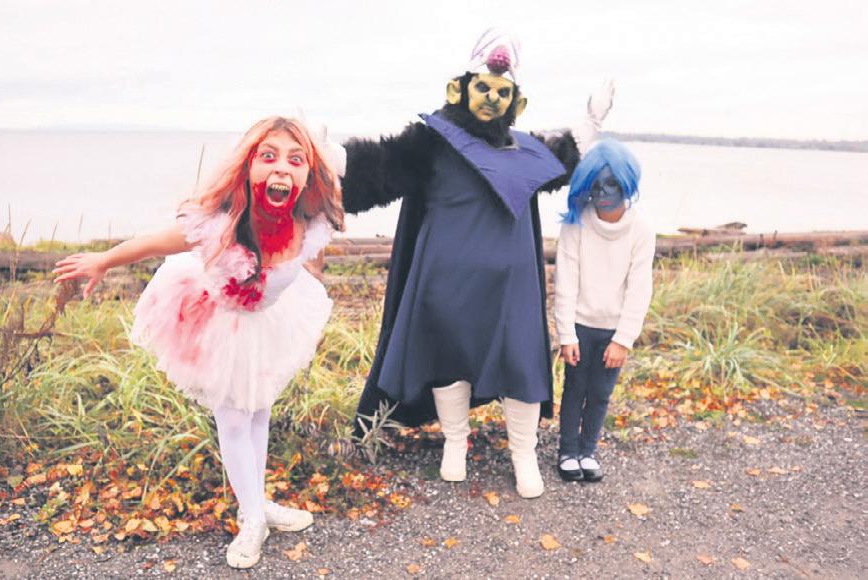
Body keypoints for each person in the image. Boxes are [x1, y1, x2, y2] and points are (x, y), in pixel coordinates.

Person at [53, 117, 345, 568]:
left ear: (309, 175)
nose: (281, 168)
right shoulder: (222, 224)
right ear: (247, 166)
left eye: (295, 159)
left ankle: (256, 502)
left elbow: (305, 265)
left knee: (259, 411)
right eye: (267, 156)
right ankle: (253, 520)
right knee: (234, 420)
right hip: (217, 322)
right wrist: (104, 260)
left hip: (267, 323)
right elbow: (156, 243)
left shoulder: (310, 224)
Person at [342, 29, 614, 498]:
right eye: (483, 87)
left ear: (516, 103)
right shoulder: (433, 142)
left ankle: (524, 453)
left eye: (502, 92)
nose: (491, 98)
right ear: (460, 89)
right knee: (448, 360)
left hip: (512, 289)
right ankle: (455, 442)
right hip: (444, 283)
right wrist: (332, 158)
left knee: (521, 363)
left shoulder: (524, 151)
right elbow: (382, 167)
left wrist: (591, 121)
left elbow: (563, 159)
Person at [554, 138, 655, 483]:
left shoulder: (641, 230)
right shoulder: (576, 224)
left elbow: (639, 289)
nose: (603, 192)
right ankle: (568, 452)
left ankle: (588, 451)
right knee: (574, 391)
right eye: (595, 185)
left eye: (612, 183)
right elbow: (565, 280)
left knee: (599, 394)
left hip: (613, 331)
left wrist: (623, 339)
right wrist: (566, 334)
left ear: (627, 183)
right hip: (580, 327)